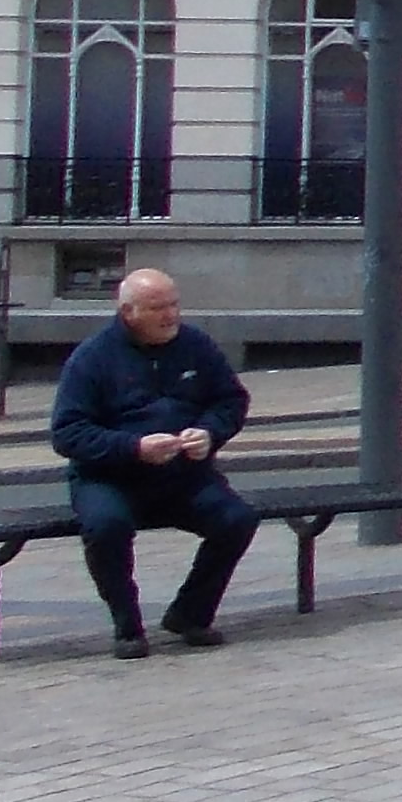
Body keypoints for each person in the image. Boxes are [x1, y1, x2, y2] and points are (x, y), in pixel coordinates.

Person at [48, 267, 255, 658]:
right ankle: (127, 626)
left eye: (174, 304)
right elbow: (68, 433)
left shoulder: (196, 345)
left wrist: (209, 433)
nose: (171, 315)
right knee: (106, 526)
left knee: (237, 519)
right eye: (158, 308)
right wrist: (133, 447)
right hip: (110, 477)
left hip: (182, 474)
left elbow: (231, 400)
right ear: (129, 312)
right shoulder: (92, 358)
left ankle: (191, 614)